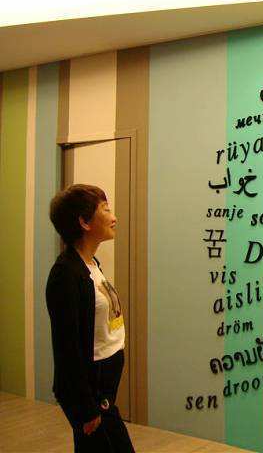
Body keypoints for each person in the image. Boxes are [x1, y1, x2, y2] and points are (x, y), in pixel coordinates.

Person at [46, 184, 134, 452]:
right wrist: (84, 407)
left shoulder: (91, 265)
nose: (114, 217)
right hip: (93, 392)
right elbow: (66, 347)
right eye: (105, 210)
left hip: (105, 386)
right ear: (84, 222)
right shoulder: (65, 274)